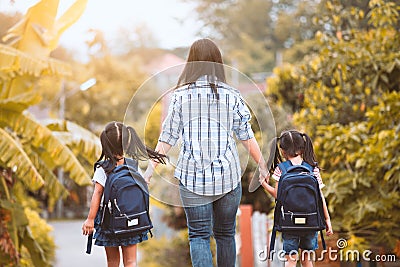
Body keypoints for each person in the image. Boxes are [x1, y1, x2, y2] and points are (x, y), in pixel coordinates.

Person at [144, 38, 266, 267]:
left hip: (192, 179)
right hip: (228, 177)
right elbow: (246, 136)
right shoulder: (232, 95)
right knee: (225, 235)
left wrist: (150, 170)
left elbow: (167, 138)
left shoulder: (180, 96)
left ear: (191, 63)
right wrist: (263, 165)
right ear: (218, 63)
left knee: (199, 236)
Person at [82, 121, 166, 267]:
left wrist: (90, 220)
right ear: (127, 144)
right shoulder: (133, 166)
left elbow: (97, 194)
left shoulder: (103, 169)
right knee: (131, 262)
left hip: (109, 222)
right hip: (132, 220)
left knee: (113, 262)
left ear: (106, 144)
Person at [259, 130, 333, 267]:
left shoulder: (281, 169)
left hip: (289, 224)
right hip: (311, 223)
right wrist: (327, 219)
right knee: (307, 260)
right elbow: (320, 197)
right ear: (303, 147)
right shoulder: (312, 169)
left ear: (282, 151)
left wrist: (264, 184)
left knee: (291, 260)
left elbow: (277, 194)